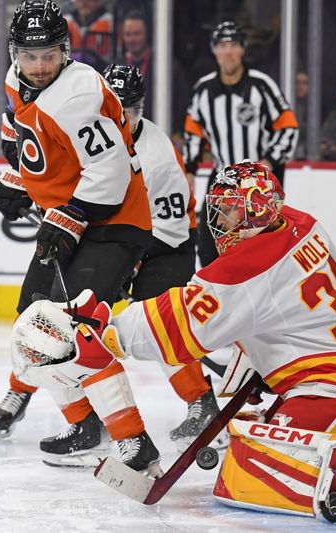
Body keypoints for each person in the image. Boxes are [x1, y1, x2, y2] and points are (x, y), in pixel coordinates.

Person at [69, 160, 336, 521]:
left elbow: (180, 324)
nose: (220, 224)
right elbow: (281, 314)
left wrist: (109, 330)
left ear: (258, 209)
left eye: (232, 211)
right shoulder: (301, 222)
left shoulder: (250, 267)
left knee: (244, 474)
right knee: (248, 442)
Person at [0, 0, 158, 471]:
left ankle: (132, 439)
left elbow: (111, 169)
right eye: (28, 55)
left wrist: (70, 215)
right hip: (73, 214)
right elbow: (26, 140)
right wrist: (18, 179)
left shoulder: (78, 94)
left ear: (65, 50)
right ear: (16, 52)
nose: (38, 66)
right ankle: (83, 425)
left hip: (113, 222)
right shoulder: (16, 77)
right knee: (31, 325)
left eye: (48, 55)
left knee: (72, 329)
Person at [102, 63, 223, 451]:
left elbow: (169, 228)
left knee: (160, 328)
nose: (121, 120)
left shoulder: (156, 155)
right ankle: (89, 416)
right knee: (75, 318)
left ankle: (203, 403)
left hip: (165, 246)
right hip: (124, 241)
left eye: (129, 111)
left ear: (140, 108)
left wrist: (130, 263)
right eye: (113, 111)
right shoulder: (94, 135)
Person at [183, 20, 298, 267]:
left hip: (259, 183)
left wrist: (269, 160)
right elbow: (194, 133)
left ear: (243, 49)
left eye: (234, 45)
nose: (228, 52)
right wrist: (190, 170)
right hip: (223, 180)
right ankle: (220, 301)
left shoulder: (261, 85)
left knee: (263, 249)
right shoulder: (203, 90)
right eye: (223, 45)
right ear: (214, 50)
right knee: (209, 249)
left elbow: (288, 126)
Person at [115, 11, 151, 117]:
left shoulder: (163, 66)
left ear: (147, 34)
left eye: (137, 34)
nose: (132, 39)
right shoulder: (116, 67)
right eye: (128, 34)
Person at [63, 0, 113, 71]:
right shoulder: (66, 21)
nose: (85, 2)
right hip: (72, 70)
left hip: (101, 70)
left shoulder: (110, 21)